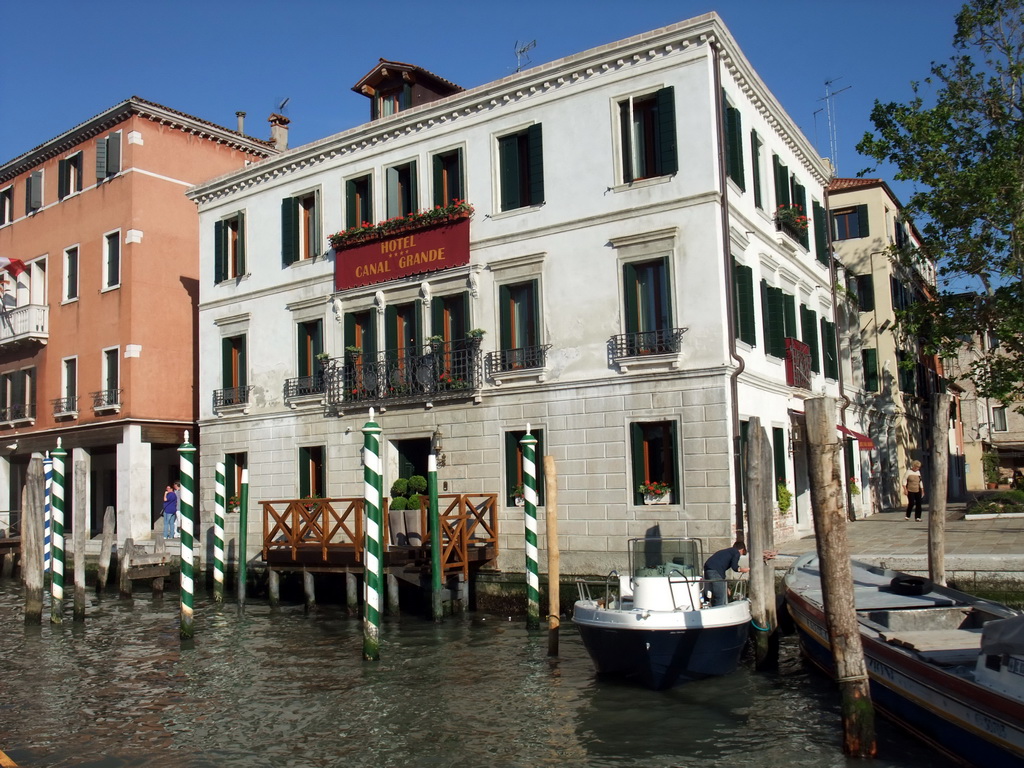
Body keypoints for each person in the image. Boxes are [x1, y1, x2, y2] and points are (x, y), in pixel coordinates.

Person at [703, 540, 749, 606]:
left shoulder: (726, 552)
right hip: (715, 571)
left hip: (708, 569)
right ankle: (719, 612)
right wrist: (743, 569)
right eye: (742, 553)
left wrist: (726, 587)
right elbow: (735, 567)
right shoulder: (736, 552)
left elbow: (721, 572)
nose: (740, 555)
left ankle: (710, 608)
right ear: (741, 550)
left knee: (712, 595)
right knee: (721, 597)